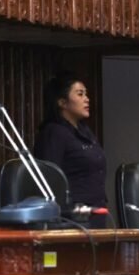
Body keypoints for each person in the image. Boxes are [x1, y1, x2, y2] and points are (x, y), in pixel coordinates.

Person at [34, 75, 107, 213]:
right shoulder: (54, 133)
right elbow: (49, 180)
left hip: (96, 209)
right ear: (62, 102)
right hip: (72, 214)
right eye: (80, 94)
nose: (87, 99)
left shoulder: (85, 130)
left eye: (86, 94)